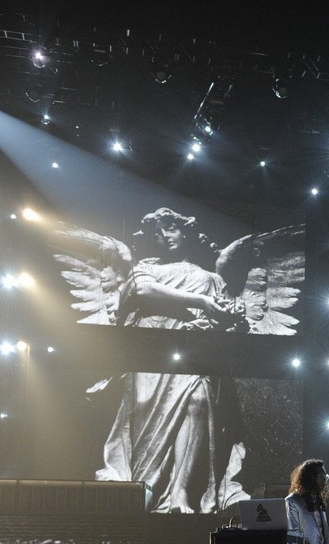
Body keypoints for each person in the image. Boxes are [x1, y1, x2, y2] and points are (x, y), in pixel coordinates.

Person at [91, 208, 256, 513]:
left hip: (196, 358)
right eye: (157, 232)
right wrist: (201, 303)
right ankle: (147, 488)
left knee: (197, 403)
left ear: (187, 232)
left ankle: (179, 492)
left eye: (170, 229)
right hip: (154, 356)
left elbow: (226, 322)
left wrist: (224, 320)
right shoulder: (146, 269)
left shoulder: (212, 278)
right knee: (146, 423)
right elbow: (141, 291)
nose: (164, 237)